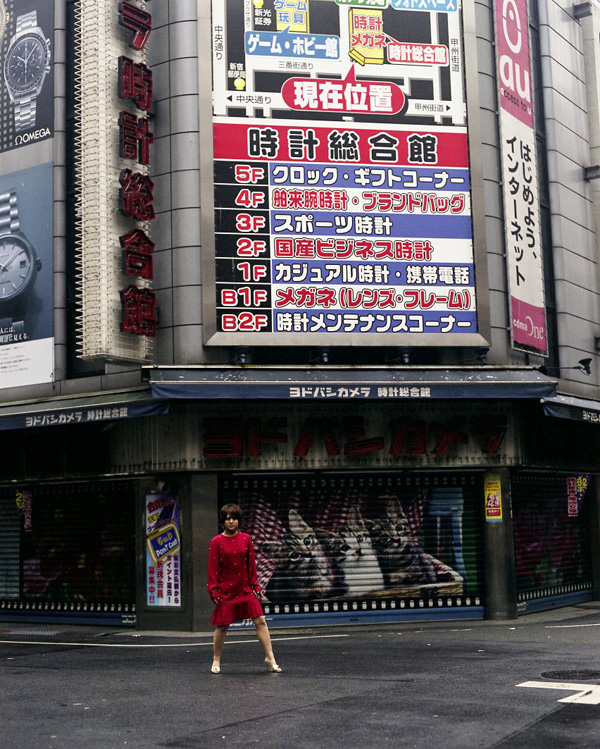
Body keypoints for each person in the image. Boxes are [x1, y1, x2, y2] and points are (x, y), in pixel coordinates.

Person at [207, 503, 282, 674]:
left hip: (245, 589)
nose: (231, 522)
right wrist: (213, 590)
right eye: (228, 519)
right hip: (225, 590)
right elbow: (213, 569)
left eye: (234, 518)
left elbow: (251, 565)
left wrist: (255, 586)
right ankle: (216, 659)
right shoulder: (216, 541)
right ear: (222, 521)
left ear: (239, 521)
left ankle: (270, 658)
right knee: (222, 625)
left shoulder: (246, 538)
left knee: (260, 620)